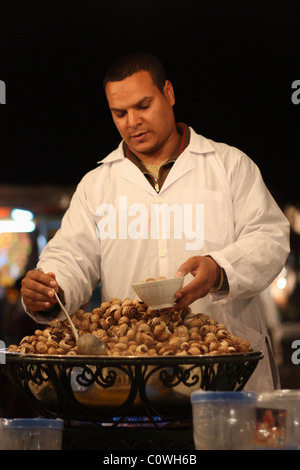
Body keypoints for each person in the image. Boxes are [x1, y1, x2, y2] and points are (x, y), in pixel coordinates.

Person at [21, 53, 290, 392]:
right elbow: (71, 257)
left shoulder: (230, 166)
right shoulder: (96, 185)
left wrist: (219, 269)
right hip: (136, 378)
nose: (132, 121)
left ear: (169, 93)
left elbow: (270, 237)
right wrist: (49, 290)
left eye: (143, 106)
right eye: (120, 113)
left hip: (228, 372)